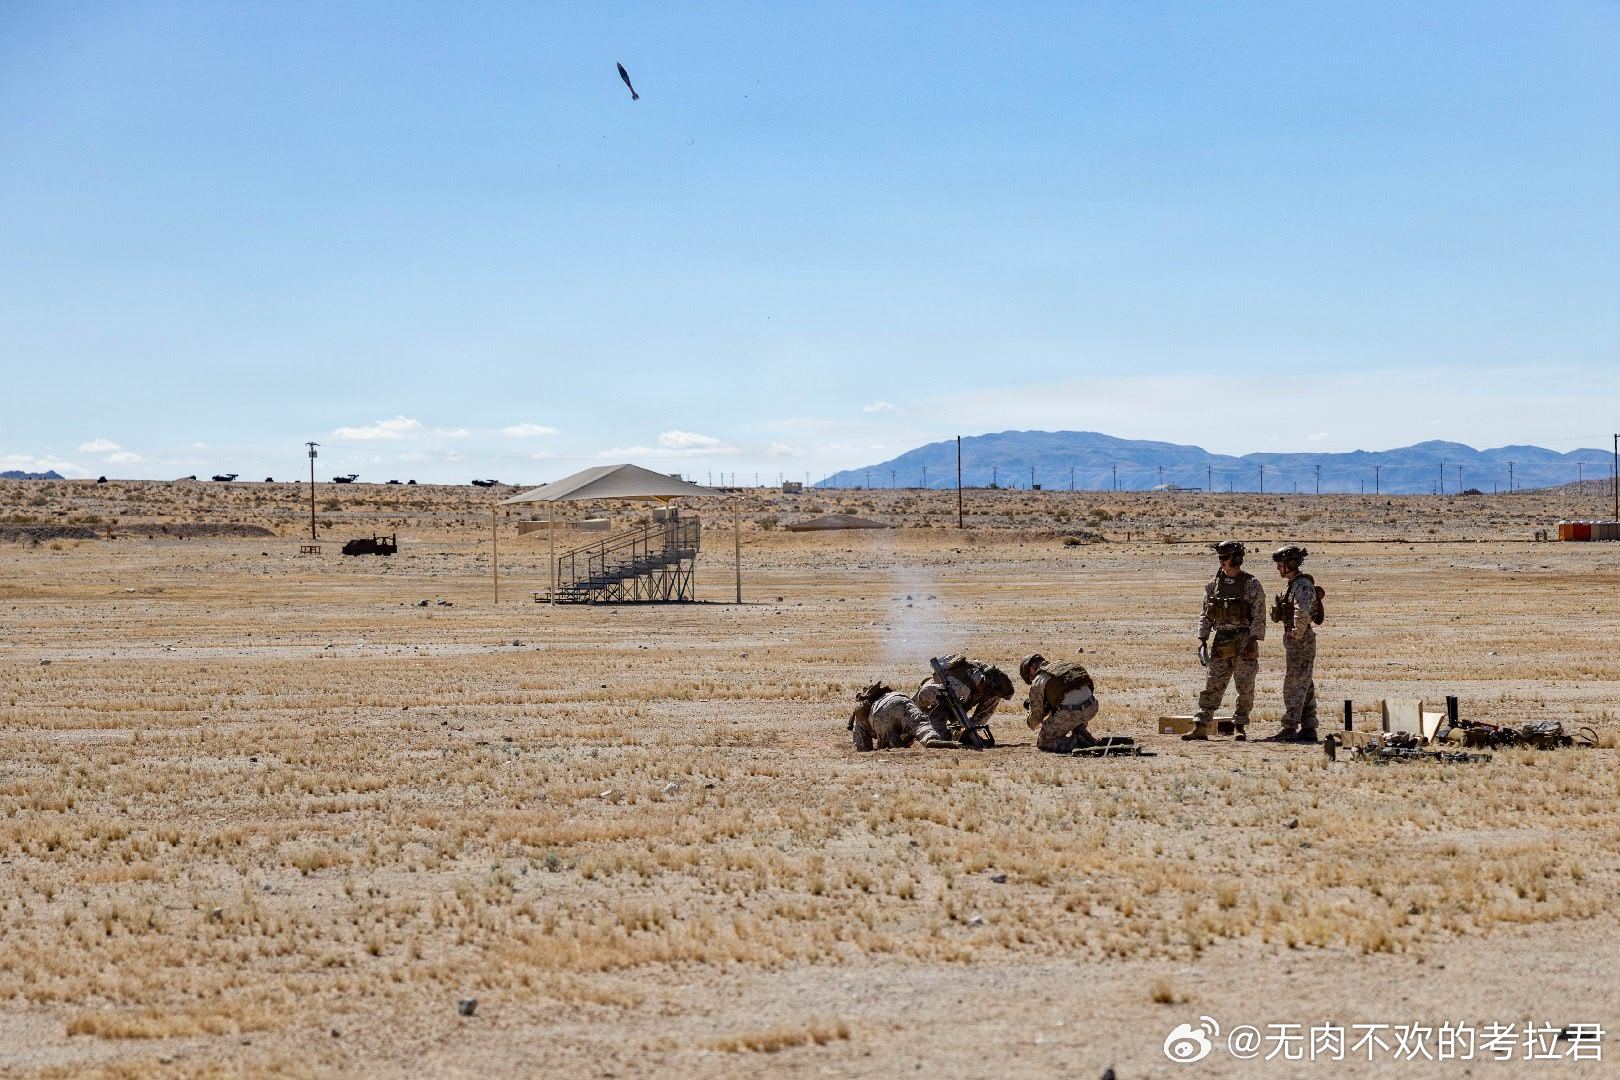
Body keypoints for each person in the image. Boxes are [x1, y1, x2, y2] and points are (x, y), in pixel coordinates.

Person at [1186, 540, 1268, 741]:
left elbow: (1259, 615)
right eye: (1220, 557)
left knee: (1245, 685)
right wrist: (1202, 638)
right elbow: (1205, 615)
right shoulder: (1213, 586)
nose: (1221, 561)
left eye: (1225, 557)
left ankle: (1240, 725)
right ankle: (1202, 725)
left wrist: (1253, 640)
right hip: (1221, 640)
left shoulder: (1251, 585)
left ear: (1237, 559)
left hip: (1244, 640)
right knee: (1213, 684)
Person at [1264, 545, 1322, 743]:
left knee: (1294, 685)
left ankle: (1290, 726)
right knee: (1304, 683)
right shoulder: (1292, 584)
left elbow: (1302, 612)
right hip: (1298, 640)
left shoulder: (1302, 585)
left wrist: (1295, 635)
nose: (1278, 568)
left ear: (1291, 564)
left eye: (1281, 564)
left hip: (1301, 641)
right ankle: (1308, 727)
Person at [915, 654, 1015, 745]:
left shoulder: (986, 674)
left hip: (957, 702)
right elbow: (924, 693)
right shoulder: (960, 687)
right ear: (984, 684)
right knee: (940, 738)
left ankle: (967, 733)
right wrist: (918, 717)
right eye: (989, 691)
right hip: (935, 705)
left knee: (994, 698)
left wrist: (970, 729)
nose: (989, 695)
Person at [1019, 653, 1099, 753]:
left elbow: (1036, 718)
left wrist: (1030, 720)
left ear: (1031, 670)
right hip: (1092, 707)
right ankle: (1082, 734)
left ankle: (1077, 742)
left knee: (1044, 742)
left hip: (1072, 712)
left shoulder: (1039, 679)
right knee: (1068, 714)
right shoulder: (1061, 666)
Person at [849, 682, 957, 751]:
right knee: (920, 722)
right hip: (900, 699)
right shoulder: (886, 694)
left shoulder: (859, 715)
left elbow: (862, 746)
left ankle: (896, 745)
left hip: (880, 713)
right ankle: (930, 738)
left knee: (888, 744)